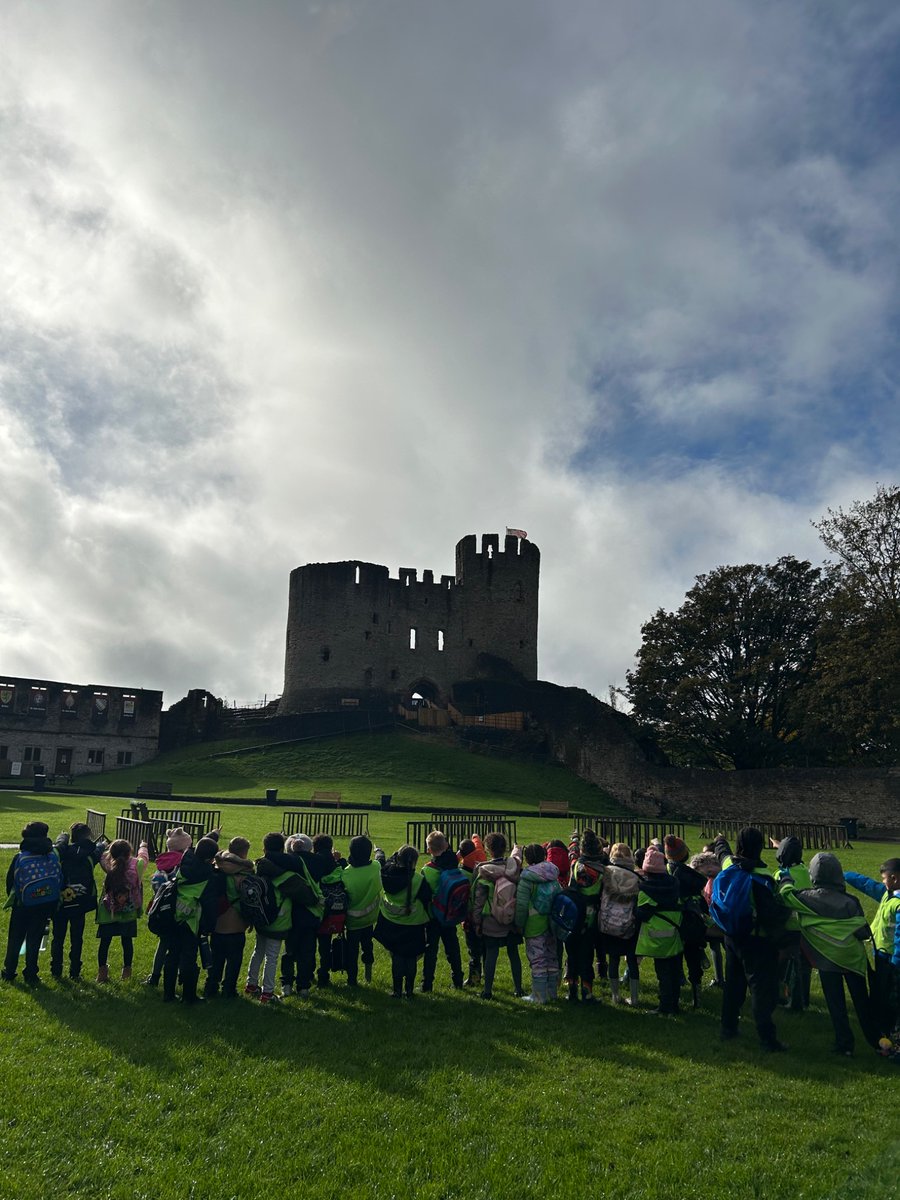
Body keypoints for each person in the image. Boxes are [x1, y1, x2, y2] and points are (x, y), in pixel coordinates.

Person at [778, 853, 879, 1057]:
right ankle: (877, 1040)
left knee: (836, 1004)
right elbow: (862, 932)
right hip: (852, 959)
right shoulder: (851, 901)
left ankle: (845, 1044)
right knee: (862, 1002)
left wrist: (785, 877)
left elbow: (786, 895)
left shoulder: (805, 897)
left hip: (826, 959)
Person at [713, 829, 790, 1051]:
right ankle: (768, 1039)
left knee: (733, 985)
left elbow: (722, 853)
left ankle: (728, 1028)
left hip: (731, 935)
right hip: (756, 940)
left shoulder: (729, 865)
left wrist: (719, 839)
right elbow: (769, 915)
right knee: (760, 991)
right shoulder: (762, 877)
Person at [844, 857, 900, 1042]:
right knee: (879, 989)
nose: (882, 882)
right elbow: (866, 884)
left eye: (884, 878)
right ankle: (881, 1023)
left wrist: (896, 962)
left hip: (892, 959)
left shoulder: (898, 903)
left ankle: (891, 1029)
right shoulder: (887, 893)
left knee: (891, 995)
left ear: (894, 878)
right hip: (881, 954)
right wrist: (843, 875)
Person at [160, 836, 219, 1005]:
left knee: (172, 955)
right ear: (210, 858)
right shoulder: (208, 876)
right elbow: (209, 905)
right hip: (191, 920)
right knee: (188, 959)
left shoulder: (185, 862)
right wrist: (209, 927)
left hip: (173, 914)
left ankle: (168, 994)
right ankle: (188, 996)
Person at [2, 820, 62, 985]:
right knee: (34, 939)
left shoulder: (20, 857)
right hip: (45, 904)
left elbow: (10, 882)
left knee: (15, 938)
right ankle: (31, 973)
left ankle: (9, 971)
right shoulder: (52, 855)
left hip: (22, 905)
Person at [374, 845, 432, 998]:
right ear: (414, 862)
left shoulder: (385, 873)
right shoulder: (418, 880)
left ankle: (397, 989)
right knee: (410, 957)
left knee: (397, 956)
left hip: (390, 922)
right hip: (413, 924)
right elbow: (426, 899)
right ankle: (410, 990)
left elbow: (384, 862)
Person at [471, 832, 523, 1001]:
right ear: (505, 848)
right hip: (511, 918)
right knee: (513, 953)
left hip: (491, 920)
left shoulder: (484, 871)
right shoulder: (515, 868)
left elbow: (478, 901)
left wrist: (477, 922)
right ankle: (518, 988)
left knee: (491, 954)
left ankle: (487, 990)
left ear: (488, 850)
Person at [51, 822, 105, 981]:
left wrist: (62, 838)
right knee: (77, 938)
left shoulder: (64, 852)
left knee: (58, 937)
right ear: (88, 836)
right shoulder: (90, 855)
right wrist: (101, 845)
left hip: (61, 901)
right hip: (81, 902)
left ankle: (56, 969)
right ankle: (75, 971)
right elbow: (99, 850)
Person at [205, 836, 254, 999]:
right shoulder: (244, 874)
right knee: (234, 960)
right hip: (236, 923)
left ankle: (211, 985)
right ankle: (229, 988)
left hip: (217, 921)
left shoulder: (216, 866)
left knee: (216, 957)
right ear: (244, 853)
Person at [636, 846, 683, 1015]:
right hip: (675, 934)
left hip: (657, 937)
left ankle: (665, 1006)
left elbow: (641, 914)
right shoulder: (674, 884)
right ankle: (675, 1005)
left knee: (663, 974)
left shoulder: (645, 890)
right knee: (675, 971)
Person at [664, 835, 709, 1008]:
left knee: (675, 960)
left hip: (674, 920)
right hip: (691, 921)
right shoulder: (691, 876)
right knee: (693, 958)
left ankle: (674, 996)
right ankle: (696, 996)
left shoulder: (666, 871)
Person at [95, 837, 150, 982]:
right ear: (129, 853)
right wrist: (143, 846)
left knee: (104, 943)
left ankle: (102, 972)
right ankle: (127, 972)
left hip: (109, 911)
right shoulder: (137, 865)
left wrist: (103, 846)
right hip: (129, 911)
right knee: (127, 942)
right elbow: (143, 858)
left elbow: (101, 855)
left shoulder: (108, 864)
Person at [145, 827, 192, 988]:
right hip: (179, 908)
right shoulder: (183, 863)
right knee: (180, 946)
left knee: (163, 944)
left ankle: (155, 975)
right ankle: (181, 976)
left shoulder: (163, 861)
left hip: (162, 907)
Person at [514, 842, 560, 1003]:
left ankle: (539, 995)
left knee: (538, 959)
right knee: (552, 957)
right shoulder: (553, 874)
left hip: (534, 925)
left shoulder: (527, 878)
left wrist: (519, 924)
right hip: (552, 924)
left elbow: (521, 905)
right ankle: (552, 992)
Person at [564, 829, 605, 1003]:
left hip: (573, 916)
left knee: (571, 954)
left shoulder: (575, 865)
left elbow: (572, 853)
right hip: (591, 919)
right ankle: (586, 992)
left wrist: (574, 839)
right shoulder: (603, 872)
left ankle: (571, 990)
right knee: (587, 955)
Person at [420, 830, 464, 992]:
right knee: (453, 947)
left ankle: (427, 983)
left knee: (431, 949)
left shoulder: (428, 870)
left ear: (429, 850)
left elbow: (424, 894)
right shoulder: (455, 865)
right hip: (450, 913)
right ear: (446, 845)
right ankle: (458, 978)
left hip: (433, 915)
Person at [772, 835, 812, 1011]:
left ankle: (786, 998)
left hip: (787, 925)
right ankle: (804, 999)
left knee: (784, 964)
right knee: (804, 965)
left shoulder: (780, 874)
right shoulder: (806, 871)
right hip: (805, 926)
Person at [599, 843, 640, 1006]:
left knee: (613, 959)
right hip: (628, 922)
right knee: (631, 960)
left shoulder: (607, 873)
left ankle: (615, 995)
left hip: (608, 921)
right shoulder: (636, 877)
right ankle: (635, 998)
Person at [342, 835, 381, 988]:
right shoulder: (375, 867)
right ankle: (368, 973)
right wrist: (379, 851)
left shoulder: (346, 873)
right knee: (367, 945)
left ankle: (352, 980)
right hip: (370, 917)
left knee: (352, 951)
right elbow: (379, 860)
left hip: (352, 921)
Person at [458, 836, 486, 988]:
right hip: (484, 914)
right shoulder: (482, 866)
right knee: (485, 947)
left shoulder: (461, 873)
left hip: (469, 917)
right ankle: (488, 974)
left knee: (473, 949)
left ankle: (474, 978)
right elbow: (477, 845)